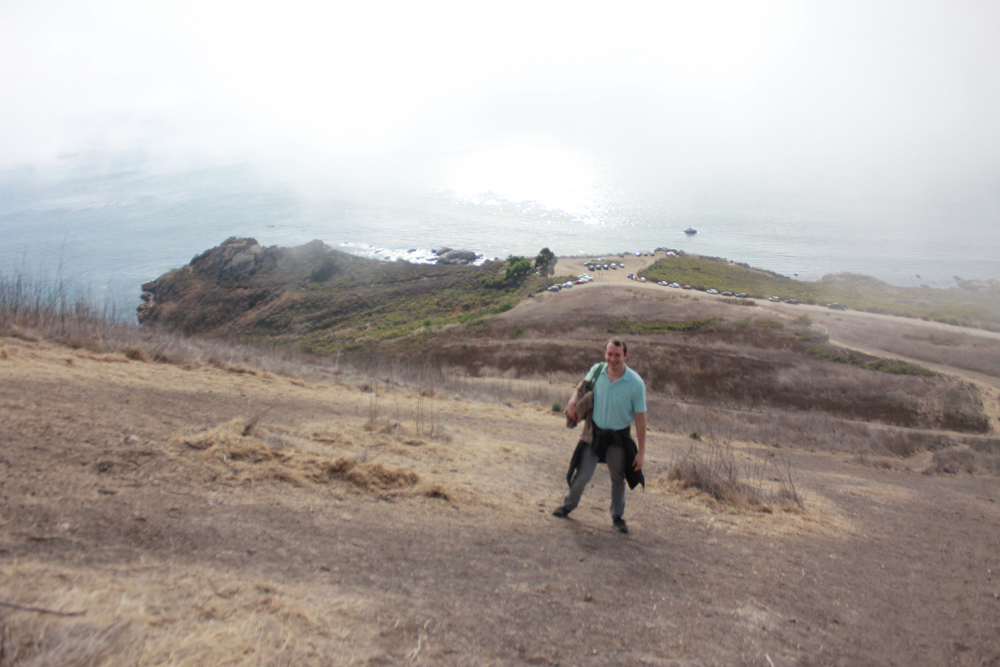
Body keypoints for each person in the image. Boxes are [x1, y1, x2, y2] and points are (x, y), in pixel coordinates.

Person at [553, 338, 647, 534]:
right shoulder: (597, 370)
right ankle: (568, 506)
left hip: (619, 439)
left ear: (626, 355)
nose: (612, 359)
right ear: (605, 354)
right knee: (582, 475)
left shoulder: (636, 384)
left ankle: (617, 517)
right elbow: (583, 385)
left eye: (617, 355)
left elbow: (640, 419)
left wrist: (641, 453)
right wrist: (572, 401)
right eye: (609, 354)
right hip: (593, 434)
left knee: (618, 478)